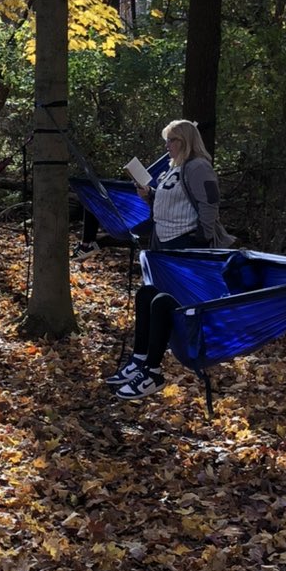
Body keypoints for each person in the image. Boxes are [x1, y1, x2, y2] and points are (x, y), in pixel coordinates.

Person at [107, 119, 234, 399]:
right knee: (146, 295)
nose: (167, 146)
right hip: (163, 244)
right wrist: (149, 195)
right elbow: (170, 202)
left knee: (165, 303)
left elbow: (210, 203)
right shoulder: (173, 167)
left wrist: (200, 240)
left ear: (186, 141)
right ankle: (139, 360)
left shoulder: (199, 167)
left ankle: (152, 371)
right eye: (167, 140)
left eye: (172, 140)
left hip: (185, 245)